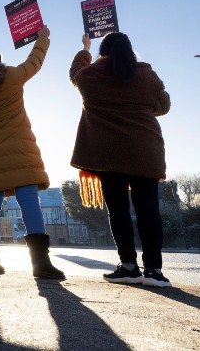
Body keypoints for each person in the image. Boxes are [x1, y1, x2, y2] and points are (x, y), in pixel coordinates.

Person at [69, 32, 171, 287]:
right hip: (146, 152)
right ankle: (155, 272)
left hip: (108, 155)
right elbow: (164, 106)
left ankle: (128, 267)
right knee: (149, 209)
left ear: (103, 53)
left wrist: (85, 48)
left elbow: (75, 71)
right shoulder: (147, 76)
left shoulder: (91, 77)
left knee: (119, 211)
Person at [0, 26, 65, 279]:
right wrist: (43, 38)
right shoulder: (11, 75)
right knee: (29, 200)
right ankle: (40, 263)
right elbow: (35, 61)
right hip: (20, 146)